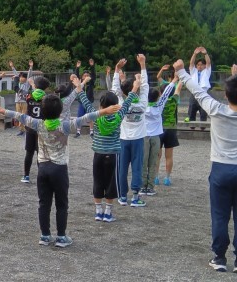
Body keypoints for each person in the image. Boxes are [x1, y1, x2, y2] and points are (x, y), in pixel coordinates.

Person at [0, 93, 122, 247]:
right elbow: (86, 118)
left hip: (43, 168)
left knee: (43, 204)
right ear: (60, 112)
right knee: (62, 204)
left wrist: (0, 110)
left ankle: (45, 235)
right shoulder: (65, 125)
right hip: (59, 169)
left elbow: (19, 116)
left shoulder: (38, 124)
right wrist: (104, 111)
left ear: (42, 110)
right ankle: (61, 237)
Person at [174, 58, 237, 272]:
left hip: (221, 168)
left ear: (226, 95)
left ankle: (219, 257)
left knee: (219, 214)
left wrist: (181, 71)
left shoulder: (217, 109)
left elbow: (198, 92)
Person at [73, 72, 142, 222]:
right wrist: (135, 86)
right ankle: (108, 213)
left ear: (101, 105)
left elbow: (85, 101)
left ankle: (98, 212)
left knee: (98, 181)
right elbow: (129, 100)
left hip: (98, 154)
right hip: (113, 155)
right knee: (111, 183)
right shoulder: (119, 115)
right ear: (115, 105)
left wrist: (79, 86)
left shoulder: (95, 115)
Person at [112, 54, 149, 208]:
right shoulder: (142, 103)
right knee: (137, 167)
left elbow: (115, 90)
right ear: (136, 88)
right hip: (138, 139)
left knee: (122, 168)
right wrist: (143, 65)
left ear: (123, 91)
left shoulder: (121, 103)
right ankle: (135, 197)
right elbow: (145, 87)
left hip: (123, 138)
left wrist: (116, 70)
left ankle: (122, 196)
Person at [140, 80, 176, 195]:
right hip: (156, 137)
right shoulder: (159, 106)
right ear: (157, 97)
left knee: (143, 162)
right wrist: (174, 80)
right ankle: (150, 187)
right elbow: (166, 94)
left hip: (144, 136)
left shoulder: (143, 106)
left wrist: (139, 82)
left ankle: (142, 186)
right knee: (153, 161)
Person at [155, 66, 183, 186]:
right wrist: (180, 75)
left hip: (159, 129)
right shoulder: (174, 99)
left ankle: (156, 177)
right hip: (171, 129)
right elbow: (179, 87)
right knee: (169, 156)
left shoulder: (158, 103)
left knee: (157, 155)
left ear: (161, 93)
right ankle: (167, 178)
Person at [185, 47, 212, 127]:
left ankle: (202, 128)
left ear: (204, 66)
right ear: (196, 66)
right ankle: (192, 127)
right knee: (191, 112)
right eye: (198, 65)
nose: (200, 66)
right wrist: (194, 54)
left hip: (203, 94)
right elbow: (191, 63)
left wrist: (205, 54)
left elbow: (208, 63)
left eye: (202, 64)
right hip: (194, 94)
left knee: (203, 113)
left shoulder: (206, 71)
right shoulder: (193, 72)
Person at [73, 58, 96, 137]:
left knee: (90, 117)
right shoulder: (80, 84)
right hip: (81, 103)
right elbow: (76, 77)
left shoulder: (91, 83)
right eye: (84, 75)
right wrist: (77, 67)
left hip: (89, 103)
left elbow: (94, 75)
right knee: (79, 117)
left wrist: (92, 66)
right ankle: (78, 132)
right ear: (82, 77)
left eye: (87, 75)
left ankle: (91, 132)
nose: (86, 77)